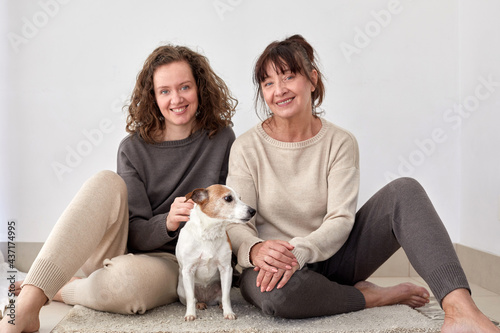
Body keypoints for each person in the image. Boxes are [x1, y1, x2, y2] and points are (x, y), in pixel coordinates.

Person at [226, 34, 500, 333]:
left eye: (289, 76)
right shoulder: (246, 147)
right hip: (272, 267)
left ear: (312, 79)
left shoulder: (340, 142)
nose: (279, 90)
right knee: (276, 296)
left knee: (404, 191)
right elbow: (237, 223)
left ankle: (460, 309)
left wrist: (301, 251)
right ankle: (369, 297)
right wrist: (255, 251)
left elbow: (341, 219)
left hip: (332, 257)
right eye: (268, 83)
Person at [1, 44, 237, 333]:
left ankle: (64, 289)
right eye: (164, 91)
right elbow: (135, 232)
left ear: (199, 88)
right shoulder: (133, 149)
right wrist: (168, 221)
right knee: (105, 180)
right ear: (153, 97)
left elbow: (230, 213)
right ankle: (26, 307)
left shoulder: (221, 139)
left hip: (171, 263)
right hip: (125, 245)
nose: (176, 98)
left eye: (185, 87)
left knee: (126, 285)